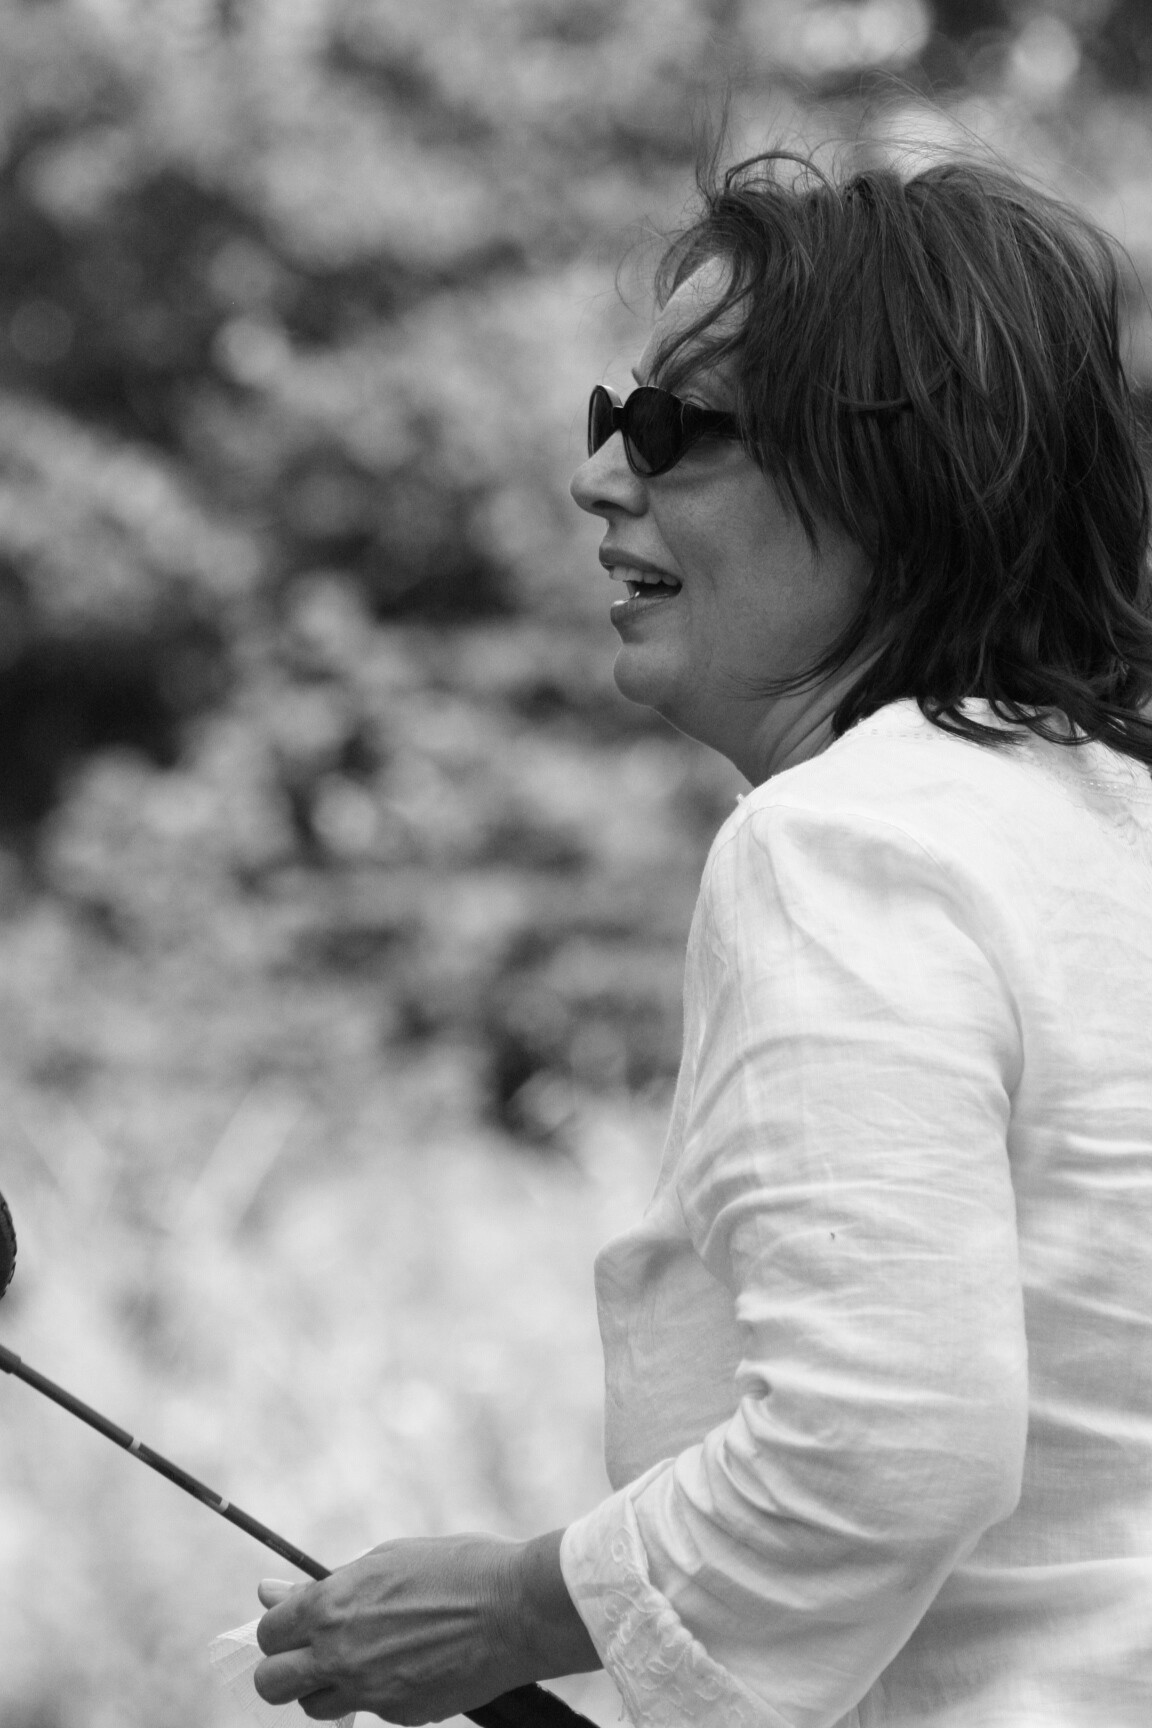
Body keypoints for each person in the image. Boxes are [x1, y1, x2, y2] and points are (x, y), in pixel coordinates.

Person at [252, 150, 1152, 1727]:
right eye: (616, 415)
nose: (603, 478)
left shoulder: (846, 845)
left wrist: (513, 1609)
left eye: (676, 428)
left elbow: (887, 1447)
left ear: (897, 478)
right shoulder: (1108, 817)